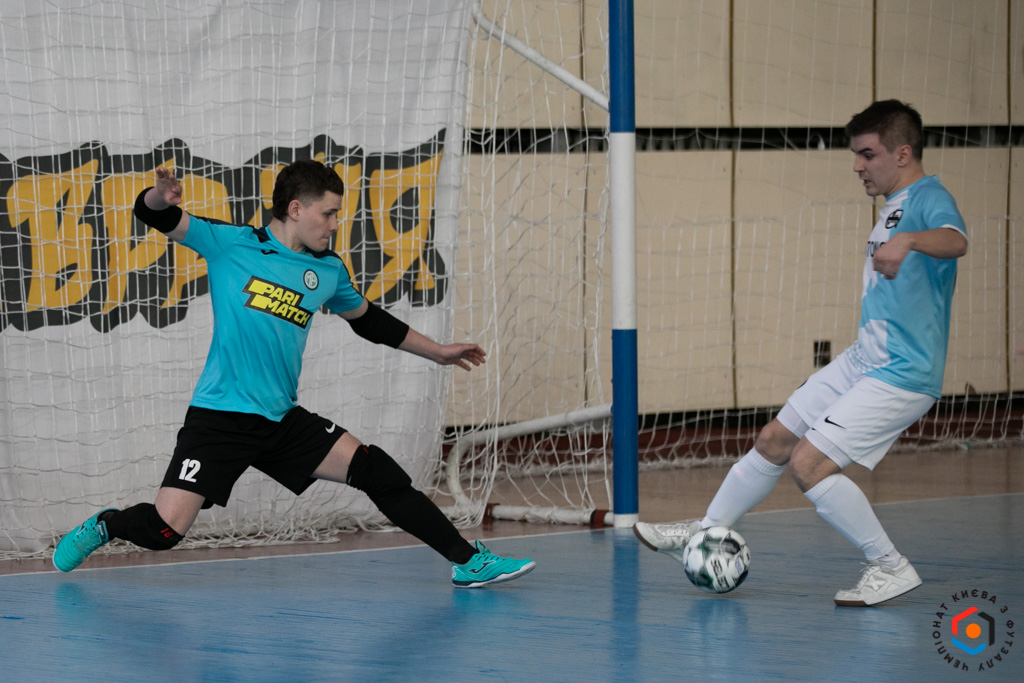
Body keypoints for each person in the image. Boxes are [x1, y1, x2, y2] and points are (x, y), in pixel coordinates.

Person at [53, 160, 535, 588]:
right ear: (296, 208)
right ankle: (106, 525)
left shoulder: (327, 270)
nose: (335, 225)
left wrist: (439, 353)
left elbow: (368, 321)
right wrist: (161, 197)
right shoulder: (231, 244)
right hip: (220, 418)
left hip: (281, 420)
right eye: (328, 213)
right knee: (163, 532)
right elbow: (153, 214)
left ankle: (467, 562)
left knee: (376, 470)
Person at [634, 100, 967, 606]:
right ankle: (706, 528)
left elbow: (956, 240)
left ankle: (889, 566)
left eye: (867, 154)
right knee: (774, 440)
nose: (857, 166)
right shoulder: (895, 204)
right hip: (864, 359)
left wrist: (910, 241)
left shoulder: (929, 197)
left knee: (809, 464)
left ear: (903, 154)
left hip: (902, 372)